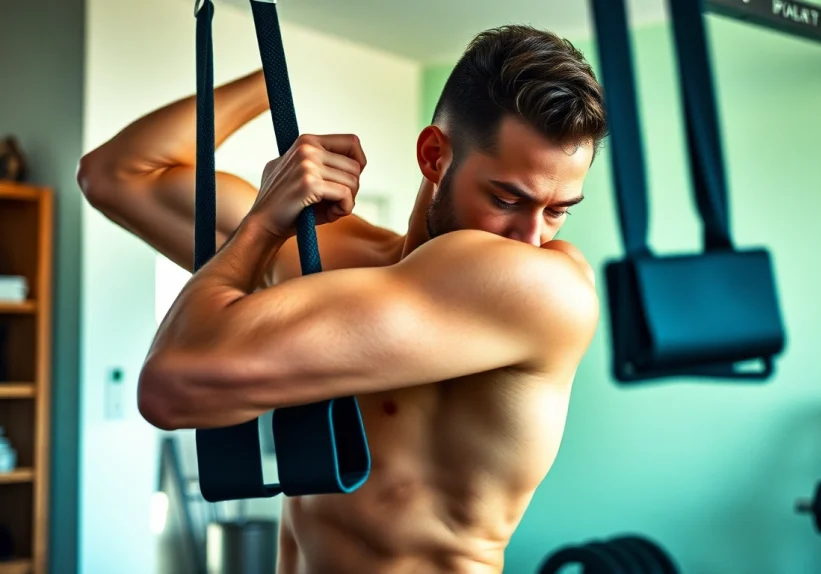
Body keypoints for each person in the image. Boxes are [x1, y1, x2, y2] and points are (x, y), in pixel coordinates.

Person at [78, 24, 608, 574]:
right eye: (507, 199)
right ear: (434, 157)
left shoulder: (546, 288)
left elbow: (170, 384)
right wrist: (273, 85)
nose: (531, 238)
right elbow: (116, 173)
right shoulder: (326, 257)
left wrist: (261, 225)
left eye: (558, 210)